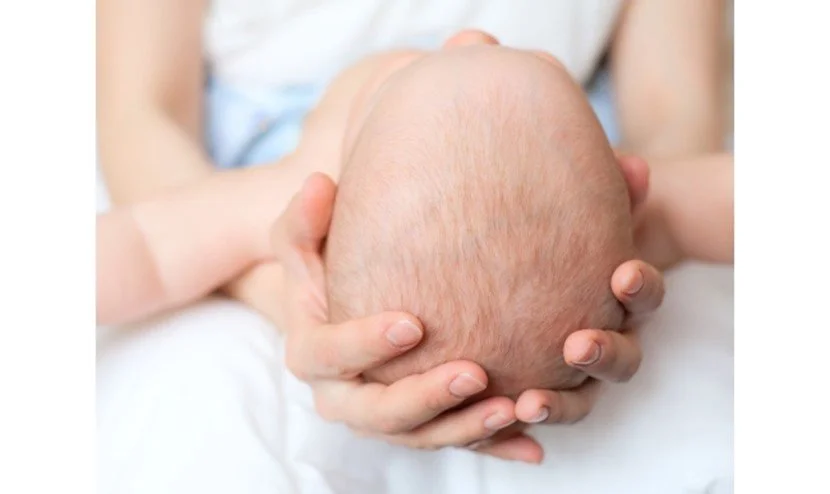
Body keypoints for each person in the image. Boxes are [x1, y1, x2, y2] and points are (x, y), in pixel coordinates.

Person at [97, 0, 729, 461]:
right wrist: (639, 235)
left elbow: (147, 249)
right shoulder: (646, 205)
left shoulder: (294, 188)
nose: (472, 35)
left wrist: (589, 246)